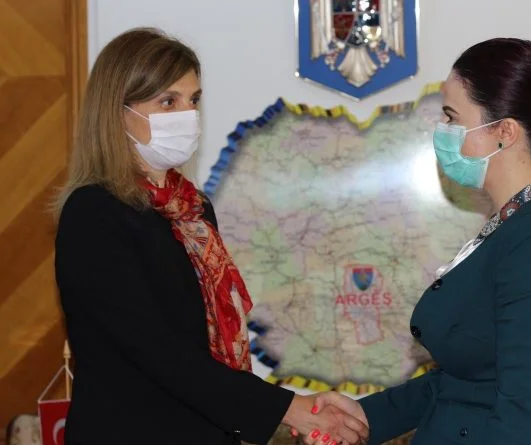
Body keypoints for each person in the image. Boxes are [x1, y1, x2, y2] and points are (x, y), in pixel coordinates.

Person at [301, 38, 531, 445]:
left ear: (504, 132)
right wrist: (363, 416)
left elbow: (519, 414)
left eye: (452, 117)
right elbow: (466, 385)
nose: (442, 131)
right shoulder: (516, 222)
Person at [53, 28, 367, 445]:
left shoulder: (192, 210)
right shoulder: (94, 213)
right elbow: (160, 354)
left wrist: (291, 410)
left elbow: (209, 352)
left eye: (193, 100)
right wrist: (292, 410)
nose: (187, 114)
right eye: (168, 101)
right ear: (117, 111)